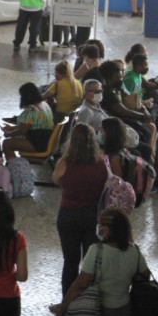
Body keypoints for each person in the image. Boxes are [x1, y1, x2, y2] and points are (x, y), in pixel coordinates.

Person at [52, 123, 107, 296]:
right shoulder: (100, 164)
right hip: (92, 216)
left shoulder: (64, 163)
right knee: (90, 263)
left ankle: (67, 302)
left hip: (68, 216)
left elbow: (55, 180)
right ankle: (89, 300)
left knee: (70, 262)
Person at [0, 83, 54, 159]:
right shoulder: (44, 104)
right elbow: (30, 125)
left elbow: (22, 131)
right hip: (48, 140)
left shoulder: (31, 111)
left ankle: (15, 167)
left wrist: (9, 134)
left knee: (6, 143)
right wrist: (12, 128)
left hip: (38, 144)